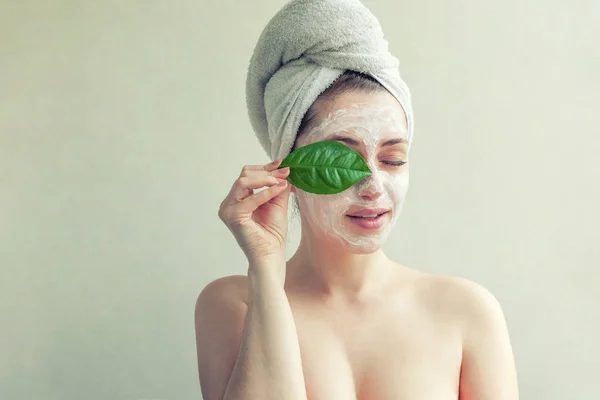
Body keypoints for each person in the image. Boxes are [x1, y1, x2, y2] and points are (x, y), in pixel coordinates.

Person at [195, 2, 518, 400]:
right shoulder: (233, 304)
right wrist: (266, 275)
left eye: (393, 159)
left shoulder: (466, 311)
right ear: (290, 167)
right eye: (340, 159)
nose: (373, 187)